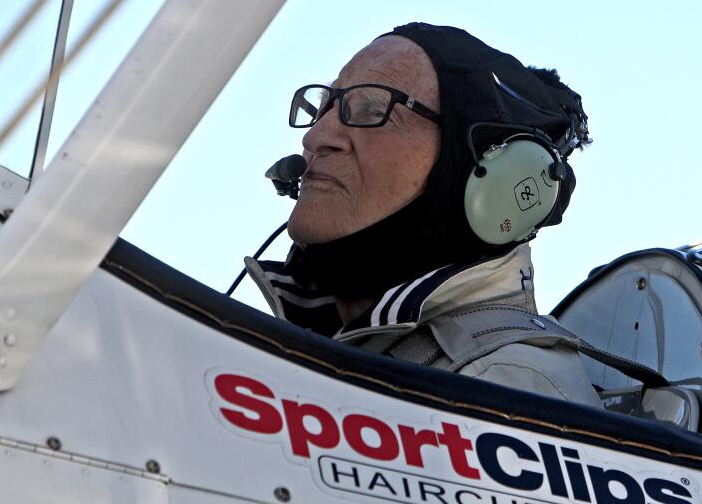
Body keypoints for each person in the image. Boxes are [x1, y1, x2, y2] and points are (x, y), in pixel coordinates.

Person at [248, 22, 601, 406]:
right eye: (326, 107)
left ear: (491, 182)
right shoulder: (316, 354)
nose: (315, 137)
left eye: (373, 109)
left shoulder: (506, 388)